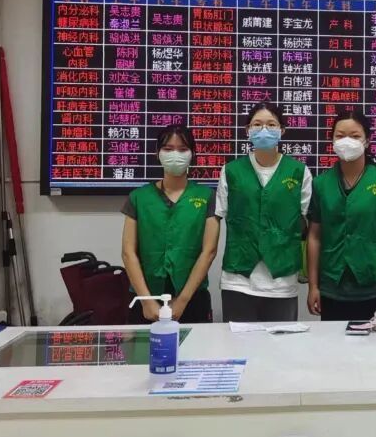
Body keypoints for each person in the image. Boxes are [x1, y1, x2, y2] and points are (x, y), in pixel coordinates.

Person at [307, 109, 376, 321]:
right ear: (332, 141)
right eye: (340, 136)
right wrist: (313, 286)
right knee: (332, 341)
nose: (347, 141)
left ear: (367, 141)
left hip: (373, 286)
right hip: (332, 286)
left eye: (355, 136)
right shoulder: (320, 184)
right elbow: (314, 236)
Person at [216, 101, 312, 322]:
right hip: (238, 280)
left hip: (282, 282)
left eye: (271, 124)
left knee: (281, 343)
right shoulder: (231, 171)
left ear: (282, 130)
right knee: (237, 342)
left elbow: (311, 227)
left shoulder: (299, 172)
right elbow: (218, 218)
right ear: (247, 130)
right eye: (257, 124)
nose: (264, 129)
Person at [122, 124, 219, 323]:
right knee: (144, 344)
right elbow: (128, 252)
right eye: (168, 149)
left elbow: (209, 251)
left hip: (192, 298)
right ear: (157, 153)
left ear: (192, 154)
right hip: (146, 297)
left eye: (182, 149)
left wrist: (182, 301)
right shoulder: (138, 197)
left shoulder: (207, 196)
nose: (175, 154)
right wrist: (147, 301)